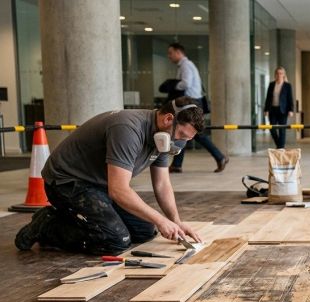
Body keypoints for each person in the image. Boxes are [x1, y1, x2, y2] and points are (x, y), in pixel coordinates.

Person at [15, 97, 204, 255]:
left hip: (100, 184)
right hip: (67, 182)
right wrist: (160, 220)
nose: (180, 142)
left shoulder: (163, 138)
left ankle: (79, 221)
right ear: (169, 119)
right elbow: (119, 190)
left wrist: (175, 221)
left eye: (186, 139)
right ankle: (47, 226)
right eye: (181, 135)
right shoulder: (128, 129)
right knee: (115, 241)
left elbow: (162, 183)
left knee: (144, 231)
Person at [165, 42, 228, 173]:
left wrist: (173, 86)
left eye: (171, 53)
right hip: (192, 101)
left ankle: (220, 157)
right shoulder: (186, 65)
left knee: (195, 133)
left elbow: (186, 83)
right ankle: (177, 164)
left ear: (178, 52)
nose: (169, 56)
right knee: (183, 131)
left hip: (191, 102)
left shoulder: (186, 65)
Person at [264, 66, 294, 149]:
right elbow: (268, 98)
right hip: (272, 110)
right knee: (272, 128)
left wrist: (291, 110)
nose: (279, 75)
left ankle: (281, 148)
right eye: (277, 73)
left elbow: (290, 98)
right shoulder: (271, 85)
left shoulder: (287, 86)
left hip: (283, 110)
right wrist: (266, 109)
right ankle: (280, 146)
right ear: (275, 75)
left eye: (281, 73)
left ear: (283, 75)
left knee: (282, 130)